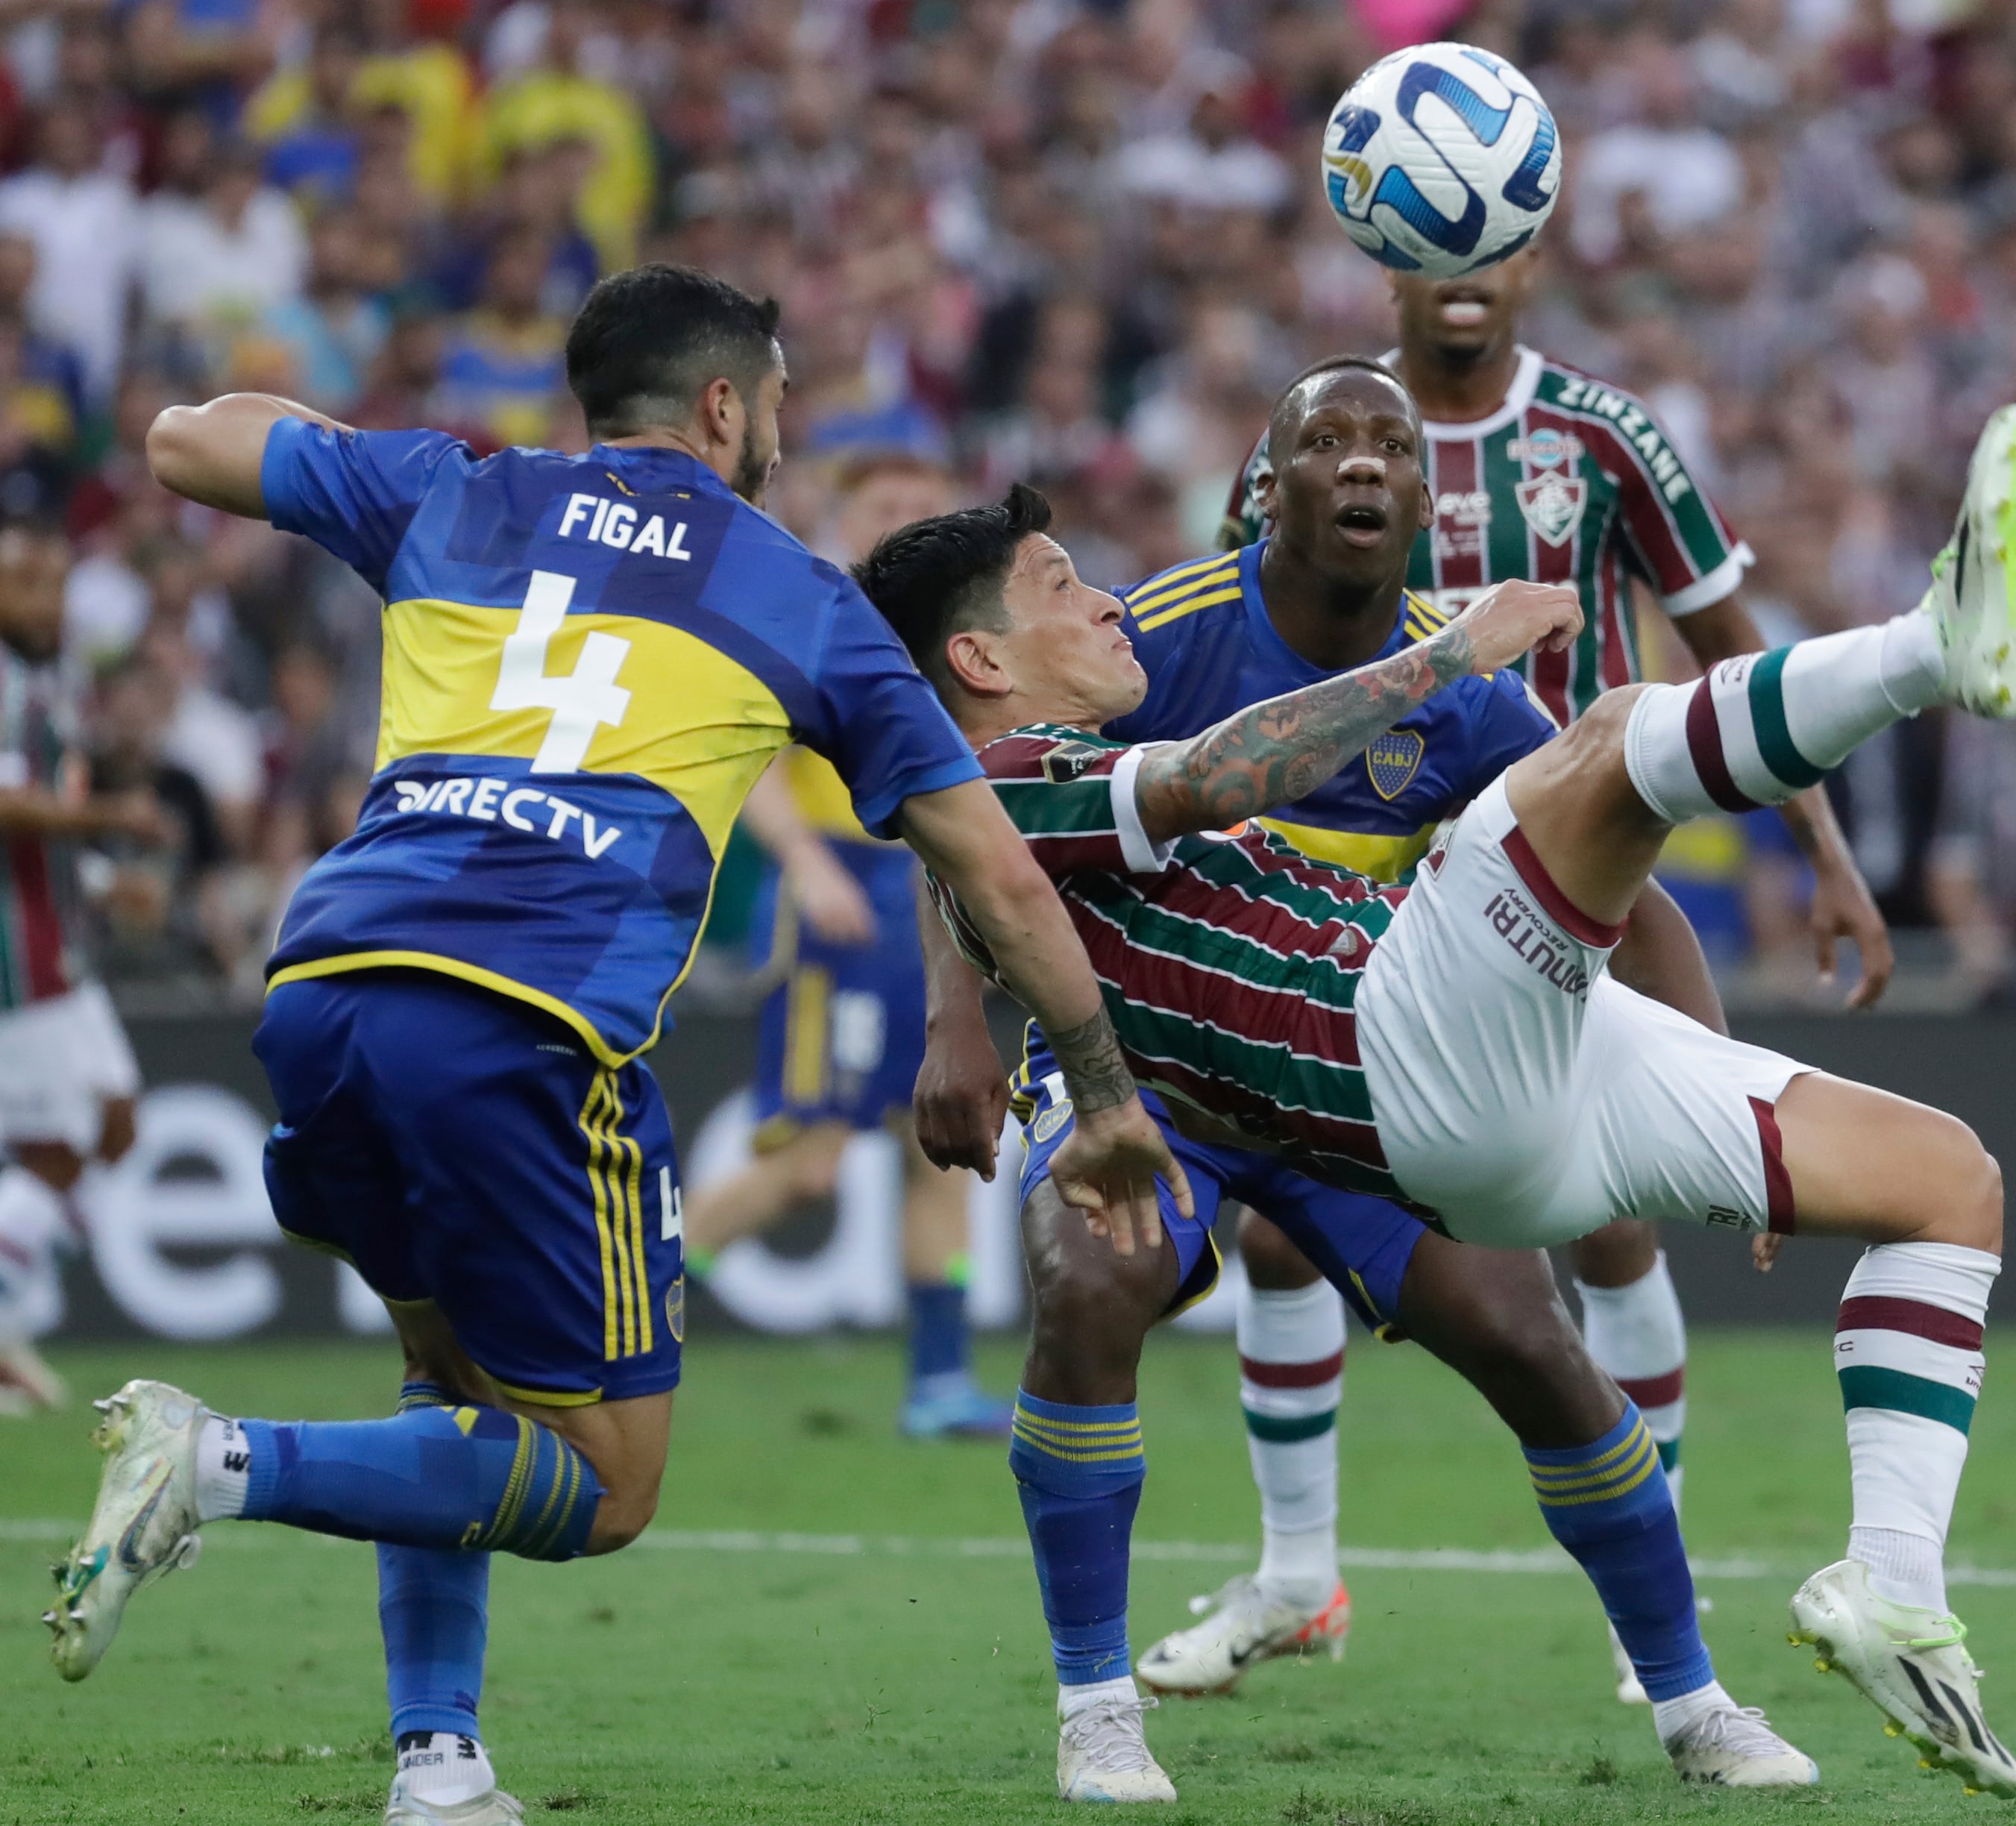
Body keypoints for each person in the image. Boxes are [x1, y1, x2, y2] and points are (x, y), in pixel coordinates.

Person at [46, 263, 1181, 1825]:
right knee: (605, 1487)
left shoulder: (454, 491)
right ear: (725, 406)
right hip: (523, 1022)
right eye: (777, 396)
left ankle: (438, 1765)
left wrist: (354, 454)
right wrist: (1103, 1089)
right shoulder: (796, 593)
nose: (782, 425)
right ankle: (222, 1461)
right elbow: (993, 868)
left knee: (447, 1380)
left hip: (324, 987)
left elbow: (186, 442)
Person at [864, 368, 2016, 1803]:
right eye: (1062, 586)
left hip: (1458, 1054)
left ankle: (1866, 1605)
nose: (1107, 599)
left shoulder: (1052, 737)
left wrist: (1718, 1054)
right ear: (986, 659)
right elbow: (1187, 782)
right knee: (1612, 736)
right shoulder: (1019, 765)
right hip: (1367, 1055)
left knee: (1944, 1180)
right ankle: (1098, 1706)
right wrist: (1452, 656)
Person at [1216, 248, 1894, 1701]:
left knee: (1609, 1234)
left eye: (1491, 237)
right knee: (1278, 1232)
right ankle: (1293, 1574)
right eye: (1429, 237)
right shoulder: (1316, 423)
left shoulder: (1604, 435)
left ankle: (1649, 1572)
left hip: (1562, 848)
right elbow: (1227, 611)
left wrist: (1820, 846)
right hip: (1353, 857)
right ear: (1376, 237)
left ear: (1531, 246)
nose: (1464, 265)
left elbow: (1725, 644)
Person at [681, 454, 1006, 1440]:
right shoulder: (808, 614)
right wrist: (807, 868)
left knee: (936, 1148)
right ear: (843, 516)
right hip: (839, 897)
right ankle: (604, 1321)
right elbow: (749, 761)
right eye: (886, 507)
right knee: (809, 1164)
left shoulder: (958, 635)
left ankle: (939, 1382)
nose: (906, 521)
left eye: (921, 508)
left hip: (925, 896)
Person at [0, 515, 164, 1418]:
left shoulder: (43, 676)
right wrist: (115, 819)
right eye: (25, 583)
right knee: (60, 1152)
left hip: (58, 939)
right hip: (15, 958)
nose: (45, 603)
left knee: (116, 1126)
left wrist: (99, 879)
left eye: (55, 584)